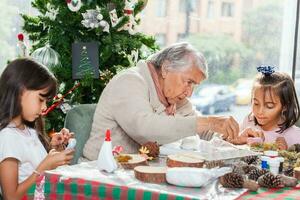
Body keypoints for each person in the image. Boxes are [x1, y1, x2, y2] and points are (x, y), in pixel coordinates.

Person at [82, 42, 239, 161]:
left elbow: (202, 130)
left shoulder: (175, 96)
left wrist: (229, 136)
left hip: (138, 174)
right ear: (165, 69)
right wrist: (209, 122)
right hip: (100, 173)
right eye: (188, 82)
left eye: (194, 86)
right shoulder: (129, 81)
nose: (189, 93)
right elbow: (145, 129)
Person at [0, 58, 74, 199]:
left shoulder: (29, 131)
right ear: (19, 91)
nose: (45, 107)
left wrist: (54, 151)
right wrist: (45, 167)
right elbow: (11, 196)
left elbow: (32, 166)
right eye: (41, 99)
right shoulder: (7, 137)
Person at [231, 66, 300, 150]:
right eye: (256, 103)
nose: (260, 111)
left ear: (285, 106)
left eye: (269, 106)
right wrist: (237, 140)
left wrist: (285, 155)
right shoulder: (249, 121)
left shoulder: (295, 136)